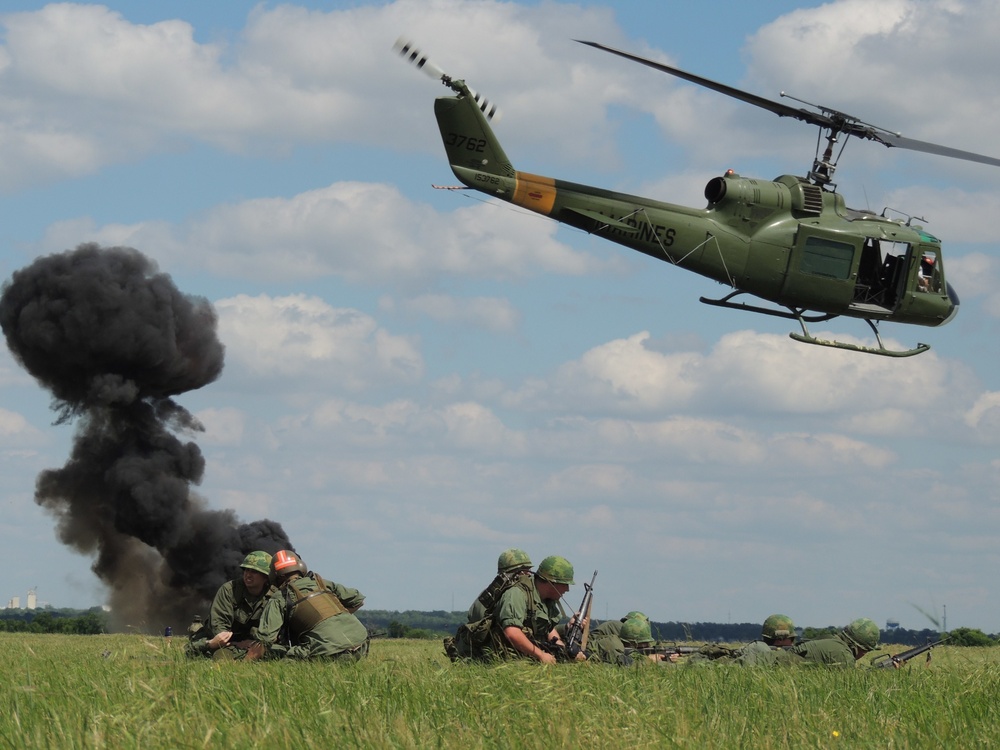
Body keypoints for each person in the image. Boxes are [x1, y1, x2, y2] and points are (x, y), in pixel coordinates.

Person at [251, 549, 369, 661]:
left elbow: (264, 640)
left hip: (329, 653)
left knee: (279, 660)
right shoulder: (321, 583)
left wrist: (244, 664)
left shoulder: (279, 598)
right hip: (361, 646)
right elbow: (358, 600)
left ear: (274, 575)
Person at [486, 554, 582, 664]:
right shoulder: (516, 594)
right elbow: (512, 632)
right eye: (565, 584)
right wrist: (541, 655)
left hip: (527, 654)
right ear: (552, 582)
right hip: (506, 658)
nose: (567, 589)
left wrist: (565, 652)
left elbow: (548, 629)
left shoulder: (547, 599)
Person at [185, 550, 277, 660]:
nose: (248, 574)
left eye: (254, 571)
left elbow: (273, 630)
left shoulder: (274, 595)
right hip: (226, 641)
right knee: (213, 655)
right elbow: (218, 626)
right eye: (246, 570)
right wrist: (236, 643)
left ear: (266, 576)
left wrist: (254, 642)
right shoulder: (229, 590)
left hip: (254, 642)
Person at [467, 548, 533, 623]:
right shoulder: (513, 594)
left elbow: (472, 615)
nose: (529, 574)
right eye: (526, 570)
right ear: (516, 573)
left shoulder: (487, 594)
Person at [791, 617, 881, 667]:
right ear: (861, 647)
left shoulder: (832, 640)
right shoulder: (844, 655)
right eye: (867, 650)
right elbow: (852, 683)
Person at [733, 614, 799, 667]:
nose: (792, 643)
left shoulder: (754, 648)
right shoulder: (764, 653)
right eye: (792, 638)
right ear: (780, 639)